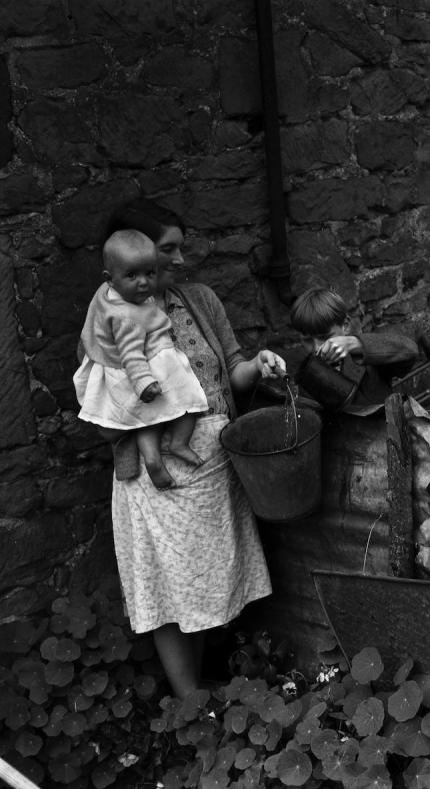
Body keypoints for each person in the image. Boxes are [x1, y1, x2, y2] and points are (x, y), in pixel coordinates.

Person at [98, 198, 286, 698]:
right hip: (157, 476)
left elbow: (233, 367)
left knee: (205, 584)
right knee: (169, 586)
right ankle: (188, 702)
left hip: (213, 462)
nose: (180, 260)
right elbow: (102, 399)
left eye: (181, 247)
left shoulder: (198, 299)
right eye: (168, 249)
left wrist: (259, 364)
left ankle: (202, 689)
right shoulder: (111, 317)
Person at [74, 229, 208, 490]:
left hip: (124, 372)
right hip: (142, 372)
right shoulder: (127, 317)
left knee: (148, 418)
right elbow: (132, 353)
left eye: (149, 273)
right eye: (132, 276)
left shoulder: (107, 297)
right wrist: (143, 382)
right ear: (109, 278)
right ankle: (179, 443)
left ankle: (152, 458)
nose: (144, 283)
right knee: (190, 399)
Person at [289, 286, 419, 409]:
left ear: (345, 326)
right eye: (307, 340)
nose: (317, 348)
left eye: (324, 337)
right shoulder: (302, 374)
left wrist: (354, 343)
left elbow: (410, 351)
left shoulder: (370, 361)